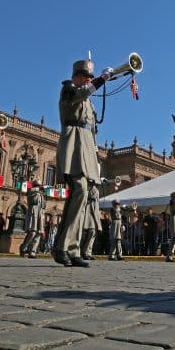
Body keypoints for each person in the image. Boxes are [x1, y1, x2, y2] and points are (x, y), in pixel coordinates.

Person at [53, 58, 111, 267]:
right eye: (85, 76)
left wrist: (95, 153)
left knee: (84, 194)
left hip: (86, 146)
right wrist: (101, 80)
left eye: (90, 76)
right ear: (76, 77)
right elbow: (81, 93)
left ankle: (73, 249)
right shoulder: (68, 90)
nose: (88, 79)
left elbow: (92, 129)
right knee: (78, 189)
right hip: (73, 143)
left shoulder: (89, 103)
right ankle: (62, 246)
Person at [20, 181, 46, 258]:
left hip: (40, 212)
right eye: (37, 185)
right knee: (32, 233)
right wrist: (40, 188)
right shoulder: (31, 191)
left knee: (39, 233)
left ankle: (32, 252)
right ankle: (23, 248)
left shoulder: (41, 195)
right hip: (33, 211)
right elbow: (31, 190)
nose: (39, 187)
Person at [81, 184, 101, 260]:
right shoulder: (91, 190)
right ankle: (85, 252)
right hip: (90, 217)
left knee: (90, 235)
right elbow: (95, 210)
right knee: (89, 235)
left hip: (90, 218)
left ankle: (87, 252)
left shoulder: (92, 190)